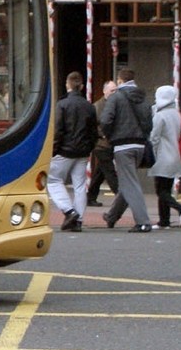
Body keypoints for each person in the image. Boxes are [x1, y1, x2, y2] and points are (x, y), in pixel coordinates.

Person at [99, 67, 154, 232]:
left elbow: (105, 120)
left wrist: (109, 136)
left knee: (130, 183)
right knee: (127, 182)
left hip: (123, 144)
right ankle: (112, 216)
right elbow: (150, 122)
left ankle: (143, 222)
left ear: (120, 80)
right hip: (140, 145)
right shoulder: (143, 98)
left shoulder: (116, 97)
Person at [46, 71, 99, 231]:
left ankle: (69, 211)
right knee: (80, 186)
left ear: (67, 85)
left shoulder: (62, 105)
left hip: (65, 150)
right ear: (82, 86)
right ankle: (79, 220)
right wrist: (89, 147)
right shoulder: (89, 106)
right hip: (83, 151)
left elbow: (58, 130)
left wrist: (54, 149)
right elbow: (93, 132)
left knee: (53, 180)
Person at [147, 85, 181, 228]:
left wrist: (149, 155)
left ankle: (180, 208)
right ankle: (164, 220)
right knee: (166, 188)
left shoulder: (160, 115)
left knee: (160, 190)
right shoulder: (177, 114)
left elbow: (154, 138)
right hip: (175, 156)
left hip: (162, 157)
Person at [87, 80, 118, 207]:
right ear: (104, 91)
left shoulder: (116, 104)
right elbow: (94, 126)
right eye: (112, 91)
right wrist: (101, 135)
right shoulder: (97, 107)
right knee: (110, 172)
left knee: (100, 172)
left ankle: (90, 197)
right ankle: (121, 196)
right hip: (101, 144)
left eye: (116, 90)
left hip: (110, 143)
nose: (114, 93)